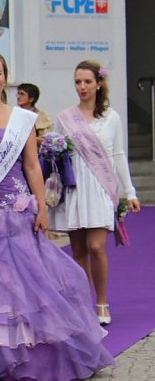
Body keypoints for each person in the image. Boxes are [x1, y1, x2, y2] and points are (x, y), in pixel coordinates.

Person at [0, 51, 114, 381]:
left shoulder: (22, 119)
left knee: (19, 286)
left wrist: (42, 208)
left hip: (15, 213)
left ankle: (22, 359)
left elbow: (31, 166)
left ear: (5, 77)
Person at [48, 61, 141, 325]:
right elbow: (56, 155)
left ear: (99, 83)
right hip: (75, 187)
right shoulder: (65, 117)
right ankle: (81, 304)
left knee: (96, 246)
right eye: (78, 82)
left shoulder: (111, 117)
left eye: (87, 81)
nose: (82, 87)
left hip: (100, 188)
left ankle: (102, 301)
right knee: (77, 249)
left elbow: (119, 155)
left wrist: (130, 191)